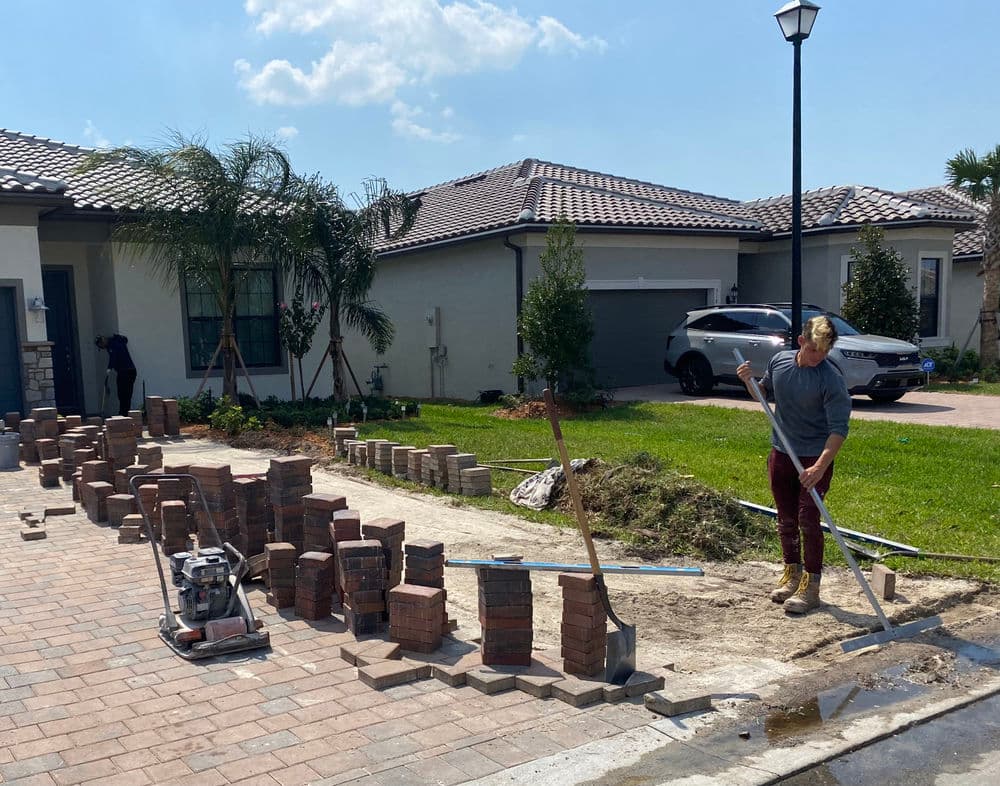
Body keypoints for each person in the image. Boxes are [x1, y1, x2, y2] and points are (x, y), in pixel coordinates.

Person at [736, 315, 851, 614]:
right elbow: (763, 394)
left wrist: (820, 467)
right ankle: (792, 574)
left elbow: (839, 429)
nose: (819, 357)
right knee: (785, 519)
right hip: (782, 452)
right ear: (801, 342)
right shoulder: (780, 362)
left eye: (825, 351)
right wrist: (748, 380)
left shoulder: (830, 379)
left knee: (808, 520)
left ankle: (811, 589)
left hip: (814, 457)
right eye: (814, 350)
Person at [95, 334, 137, 417]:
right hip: (126, 371)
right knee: (123, 394)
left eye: (101, 346)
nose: (103, 348)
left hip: (127, 372)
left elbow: (113, 357)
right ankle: (123, 414)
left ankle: (124, 414)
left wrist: (109, 369)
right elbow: (125, 340)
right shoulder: (116, 341)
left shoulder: (112, 345)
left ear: (103, 341)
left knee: (124, 394)